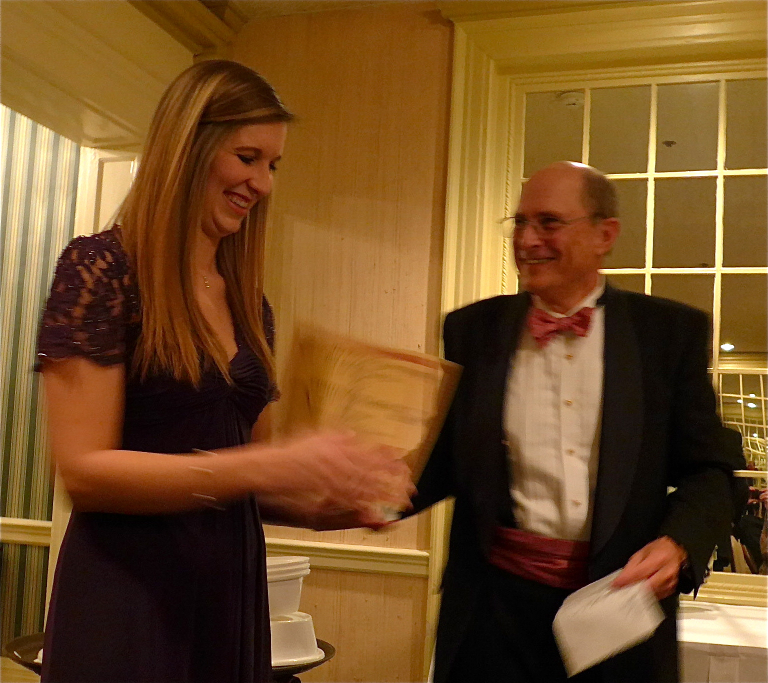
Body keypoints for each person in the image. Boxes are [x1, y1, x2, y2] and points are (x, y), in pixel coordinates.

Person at [36, 60, 412, 683]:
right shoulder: (102, 268)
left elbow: (251, 479)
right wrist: (271, 464)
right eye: (247, 157)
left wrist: (337, 500)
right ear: (188, 147)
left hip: (228, 601)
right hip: (131, 600)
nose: (262, 183)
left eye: (273, 165)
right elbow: (85, 471)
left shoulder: (249, 306)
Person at [412, 161, 734, 682]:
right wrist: (369, 492)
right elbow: (448, 460)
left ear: (605, 234)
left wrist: (679, 543)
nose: (526, 240)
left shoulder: (668, 334)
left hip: (616, 612)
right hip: (492, 617)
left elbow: (711, 470)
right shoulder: (471, 329)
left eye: (548, 223)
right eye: (519, 223)